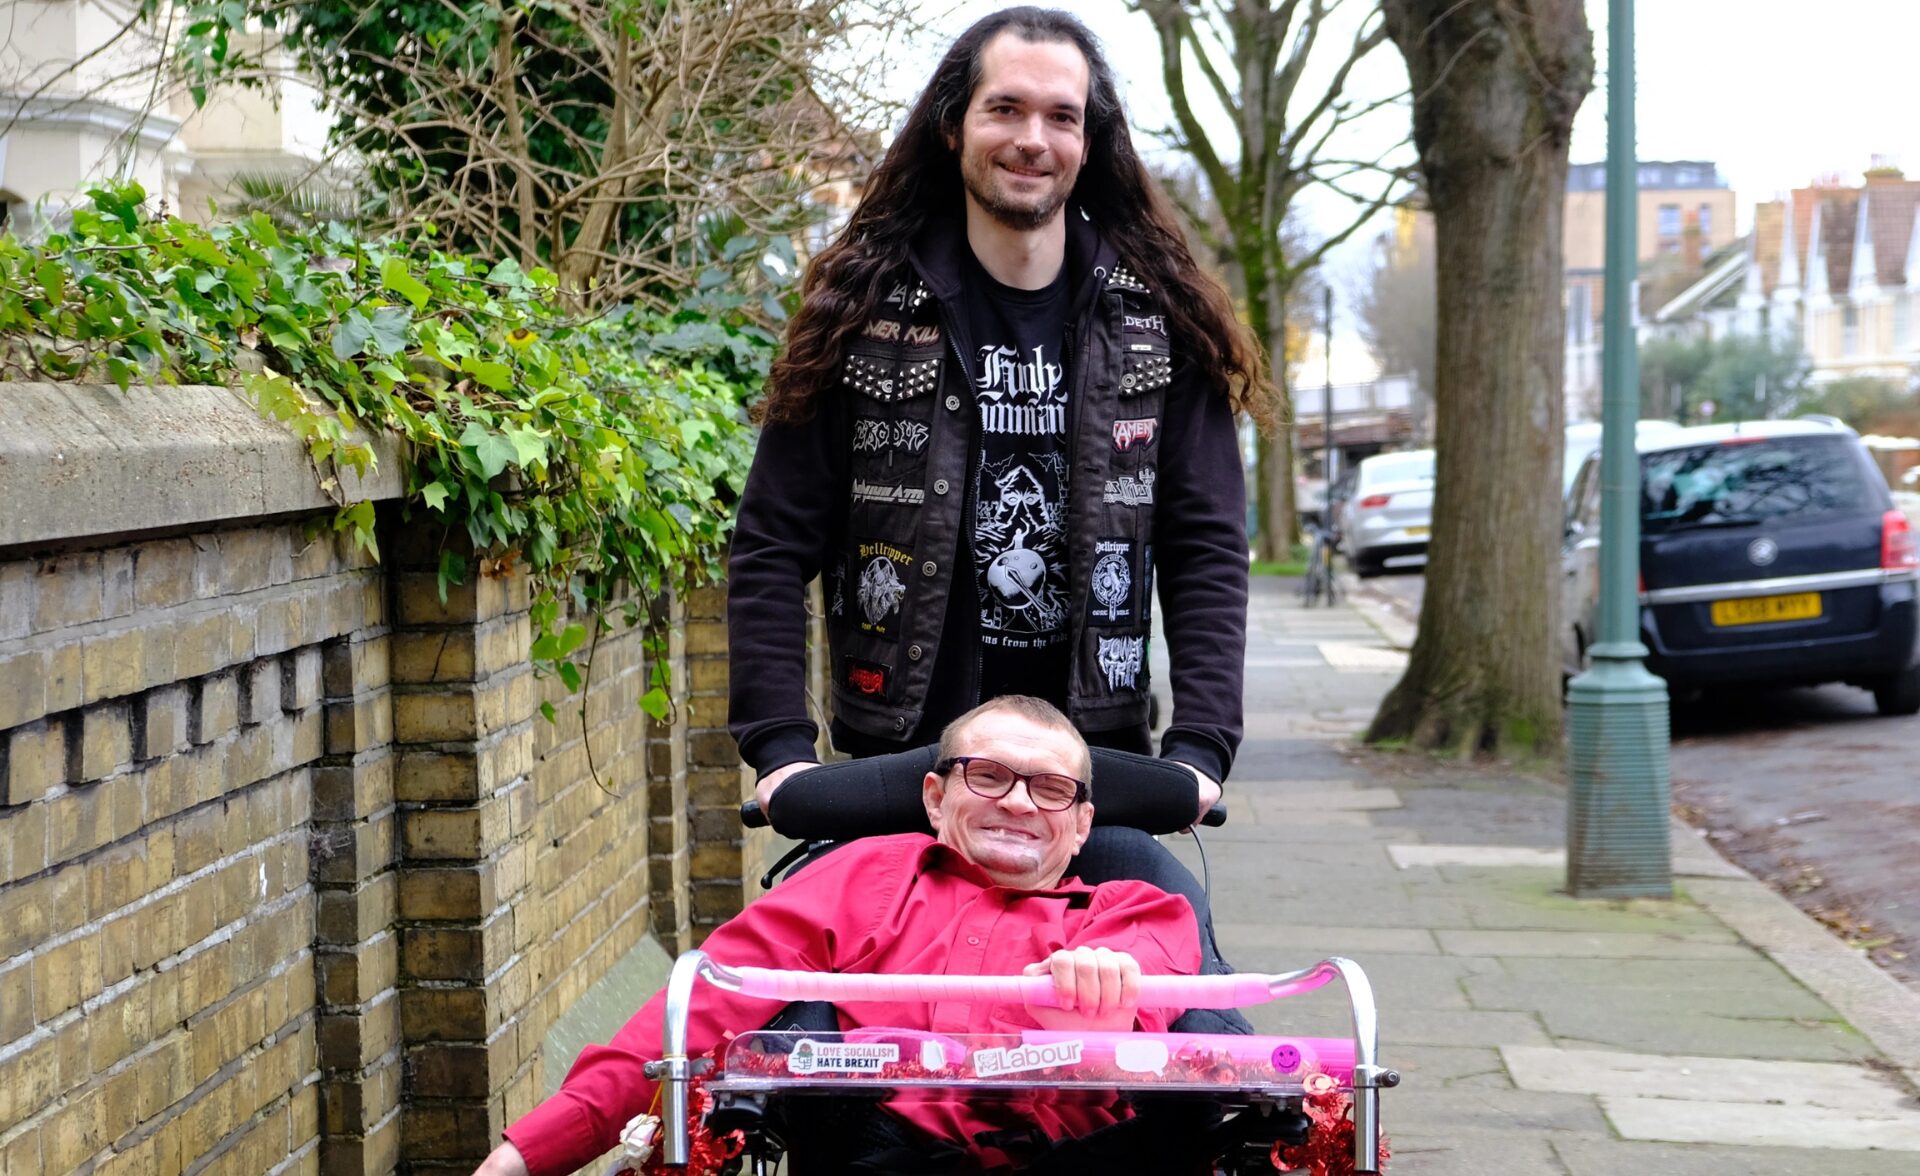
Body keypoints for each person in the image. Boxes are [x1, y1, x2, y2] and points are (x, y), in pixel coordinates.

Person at [726, 4, 1268, 987]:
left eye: (1061, 116)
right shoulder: (861, 311)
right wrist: (779, 756)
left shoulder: (1158, 324)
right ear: (952, 125)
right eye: (1004, 109)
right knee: (814, 1035)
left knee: (1182, 1011)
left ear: (1090, 140)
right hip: (905, 759)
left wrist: (1200, 751)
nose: (1032, 138)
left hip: (1090, 768)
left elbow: (1206, 547)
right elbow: (771, 542)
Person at [468, 698, 1204, 1176]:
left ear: (1081, 825)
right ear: (935, 795)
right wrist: (521, 1158)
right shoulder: (863, 877)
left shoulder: (1137, 909)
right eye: (987, 777)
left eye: (1048, 789)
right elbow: (700, 1009)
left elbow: (1152, 994)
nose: (1016, 801)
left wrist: (1102, 1011)